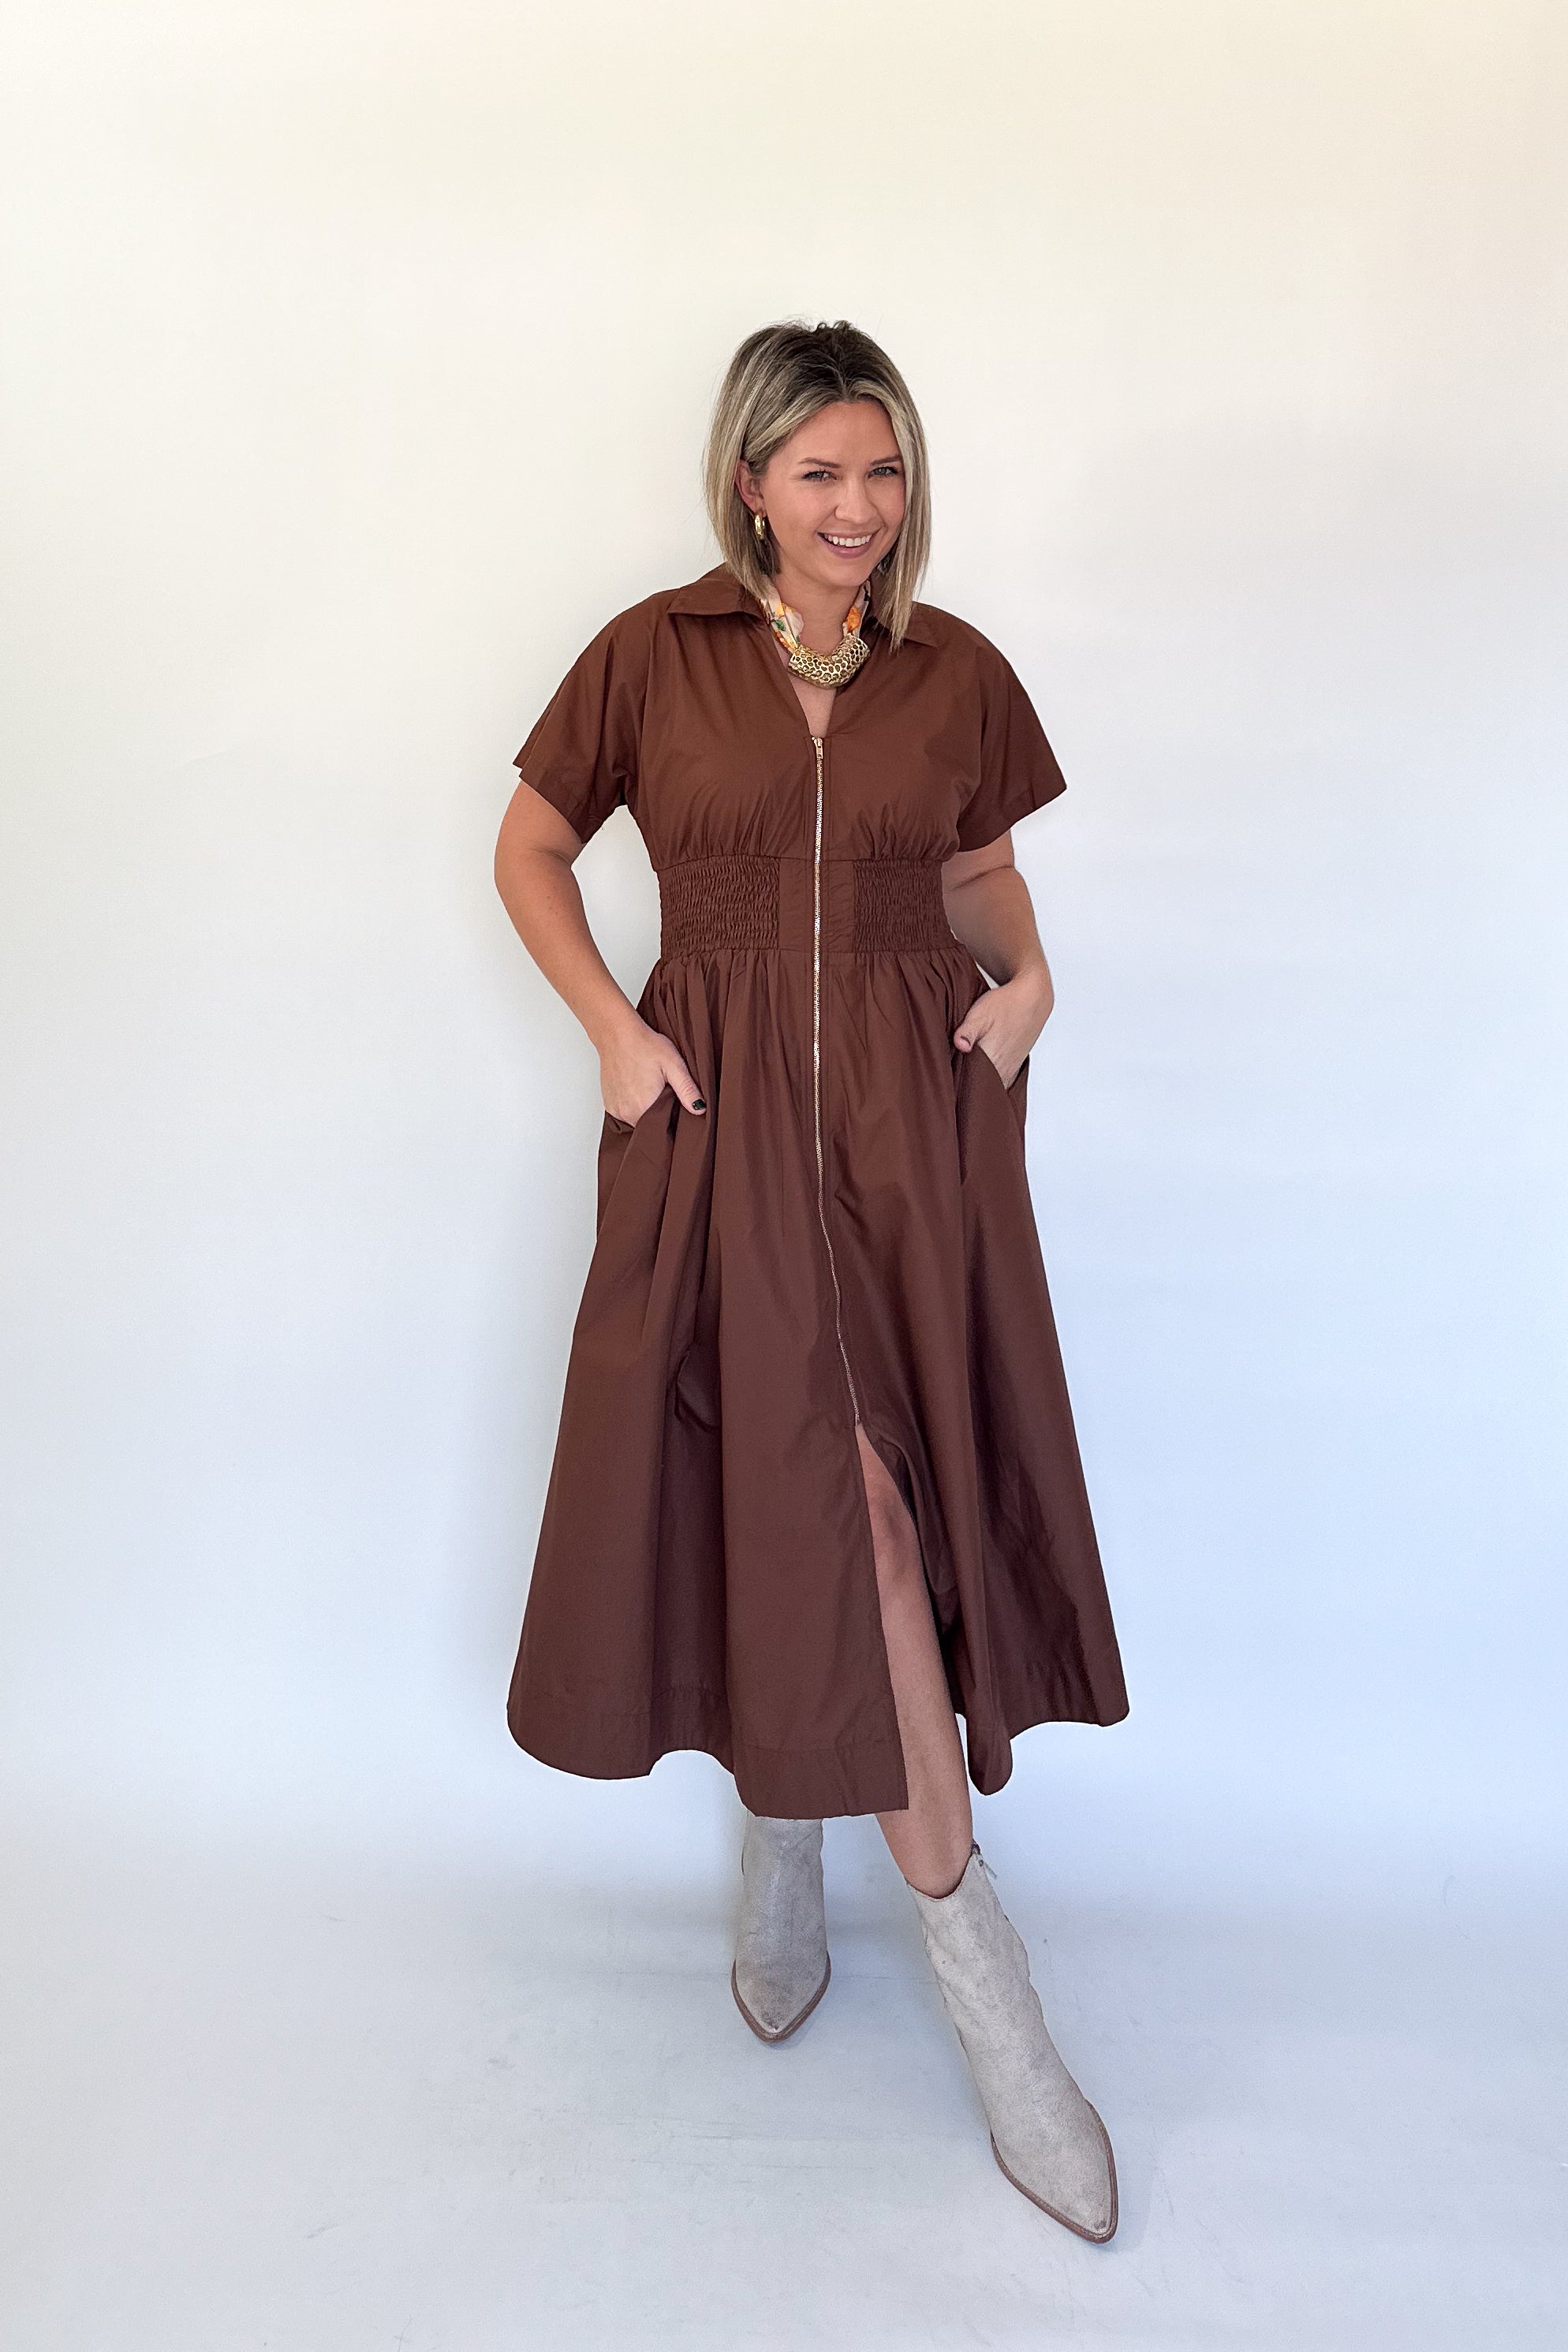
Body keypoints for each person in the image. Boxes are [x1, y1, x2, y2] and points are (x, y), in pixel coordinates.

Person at [494, 319, 1129, 2241]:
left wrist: (1032, 982)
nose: (861, 506)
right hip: (719, 1138)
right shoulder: (652, 654)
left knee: (893, 1495)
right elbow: (529, 849)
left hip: (916, 1146)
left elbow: (978, 877)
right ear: (750, 483)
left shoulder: (955, 671)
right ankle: (968, 1972)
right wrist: (615, 1032)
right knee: (815, 1495)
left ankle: (812, 1844)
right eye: (822, 471)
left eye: (884, 469)